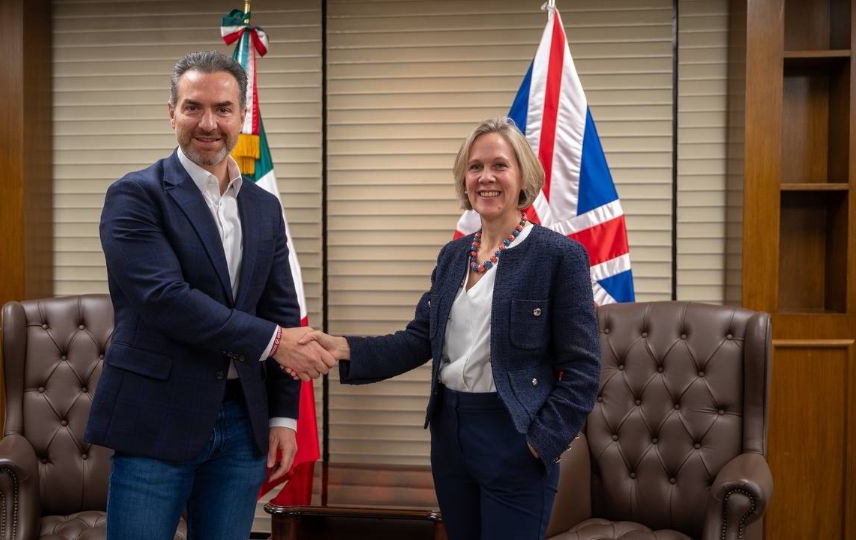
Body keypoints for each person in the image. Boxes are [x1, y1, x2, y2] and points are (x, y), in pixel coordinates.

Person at [302, 117, 601, 540]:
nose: (486, 177)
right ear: (464, 179)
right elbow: (418, 339)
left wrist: (538, 443)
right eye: (475, 167)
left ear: (523, 177)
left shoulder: (558, 257)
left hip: (514, 435)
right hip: (450, 437)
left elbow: (584, 370)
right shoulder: (453, 255)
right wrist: (342, 348)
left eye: (500, 165)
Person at [84, 50, 335, 540]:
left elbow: (282, 311)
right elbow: (165, 298)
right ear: (172, 111)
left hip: (243, 419)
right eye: (193, 107)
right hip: (155, 415)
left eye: (223, 109)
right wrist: (274, 342)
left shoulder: (263, 207)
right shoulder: (135, 195)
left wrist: (284, 415)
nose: (208, 123)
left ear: (243, 116)